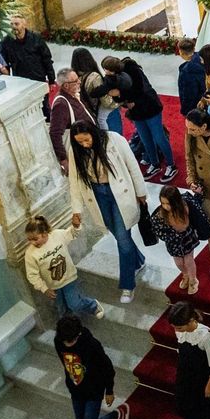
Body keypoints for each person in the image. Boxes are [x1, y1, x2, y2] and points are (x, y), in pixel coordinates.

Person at [66, 123, 148, 303]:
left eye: (87, 140)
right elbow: (75, 181)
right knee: (119, 235)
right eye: (80, 142)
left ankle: (128, 285)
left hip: (119, 192)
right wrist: (76, 210)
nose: (85, 145)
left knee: (123, 238)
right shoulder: (76, 151)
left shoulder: (114, 140)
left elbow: (132, 166)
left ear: (93, 133)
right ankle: (138, 261)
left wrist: (141, 192)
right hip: (97, 195)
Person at [54, 314, 130, 419]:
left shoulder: (91, 345)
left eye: (72, 341)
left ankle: (117, 415)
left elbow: (107, 367)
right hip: (75, 388)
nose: (68, 345)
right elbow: (67, 364)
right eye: (66, 341)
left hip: (93, 390)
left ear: (79, 333)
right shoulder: (58, 341)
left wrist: (109, 390)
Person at [102, 56, 176, 183]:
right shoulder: (111, 78)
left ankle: (171, 165)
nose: (105, 73)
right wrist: (122, 98)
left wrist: (122, 96)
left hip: (150, 107)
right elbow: (118, 98)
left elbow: (138, 89)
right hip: (136, 112)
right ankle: (154, 163)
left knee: (159, 137)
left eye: (107, 70)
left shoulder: (132, 70)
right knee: (145, 138)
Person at [166, 301, 210, 419]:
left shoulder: (205, 337)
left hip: (204, 375)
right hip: (185, 371)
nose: (176, 330)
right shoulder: (180, 330)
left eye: (179, 327)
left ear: (191, 321)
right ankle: (197, 418)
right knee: (183, 399)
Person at [24, 215, 102, 319]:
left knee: (74, 304)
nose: (32, 242)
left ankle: (93, 306)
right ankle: (69, 325)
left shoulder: (57, 236)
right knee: (62, 309)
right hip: (53, 286)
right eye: (29, 240)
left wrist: (76, 225)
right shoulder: (30, 253)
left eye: (35, 239)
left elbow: (72, 233)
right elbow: (32, 275)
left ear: (44, 234)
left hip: (69, 279)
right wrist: (44, 288)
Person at [147, 183, 207, 295]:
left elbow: (195, 205)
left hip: (187, 237)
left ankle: (193, 280)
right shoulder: (160, 215)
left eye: (168, 203)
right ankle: (185, 274)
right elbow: (157, 230)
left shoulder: (184, 206)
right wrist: (171, 236)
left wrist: (198, 195)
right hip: (172, 241)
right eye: (163, 203)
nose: (165, 206)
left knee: (189, 260)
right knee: (179, 262)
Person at [47, 68, 98, 166]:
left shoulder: (72, 95)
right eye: (75, 81)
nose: (79, 81)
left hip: (88, 146)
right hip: (81, 150)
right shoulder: (61, 104)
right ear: (66, 85)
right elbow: (55, 133)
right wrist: (63, 159)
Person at [72, 48, 121, 134]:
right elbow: (106, 102)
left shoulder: (74, 76)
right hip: (103, 113)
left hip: (88, 114)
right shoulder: (94, 76)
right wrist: (119, 102)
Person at [0, 15, 55, 90]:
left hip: (38, 78)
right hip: (20, 80)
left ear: (24, 25)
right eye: (11, 24)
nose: (13, 27)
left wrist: (51, 80)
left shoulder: (36, 38)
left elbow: (47, 59)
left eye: (16, 24)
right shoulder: (5, 42)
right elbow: (4, 63)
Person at [176, 37, 207, 118]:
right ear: (193, 48)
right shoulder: (202, 59)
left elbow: (188, 94)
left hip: (194, 107)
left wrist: (185, 111)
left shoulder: (186, 71)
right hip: (205, 101)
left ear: (181, 52)